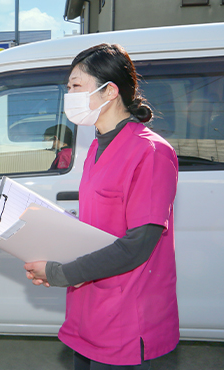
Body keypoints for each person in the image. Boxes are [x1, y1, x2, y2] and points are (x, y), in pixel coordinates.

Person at [24, 44, 179, 369]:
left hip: (127, 315)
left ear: (109, 90)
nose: (69, 95)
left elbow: (138, 245)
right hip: (91, 308)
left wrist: (62, 272)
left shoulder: (150, 152)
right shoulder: (97, 146)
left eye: (76, 86)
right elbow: (100, 224)